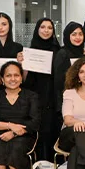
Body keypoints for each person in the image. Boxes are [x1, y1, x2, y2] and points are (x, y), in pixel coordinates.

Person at [23, 18, 61, 161]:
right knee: (38, 136)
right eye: (43, 27)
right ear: (37, 29)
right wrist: (23, 65)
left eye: (50, 28)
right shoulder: (30, 50)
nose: (46, 30)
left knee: (52, 134)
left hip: (52, 99)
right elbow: (25, 80)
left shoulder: (59, 51)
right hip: (35, 99)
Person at [53, 22, 85, 111]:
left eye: (80, 34)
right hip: (67, 99)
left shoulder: (82, 55)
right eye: (74, 34)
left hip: (82, 98)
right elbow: (58, 82)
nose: (78, 37)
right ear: (68, 36)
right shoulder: (62, 53)